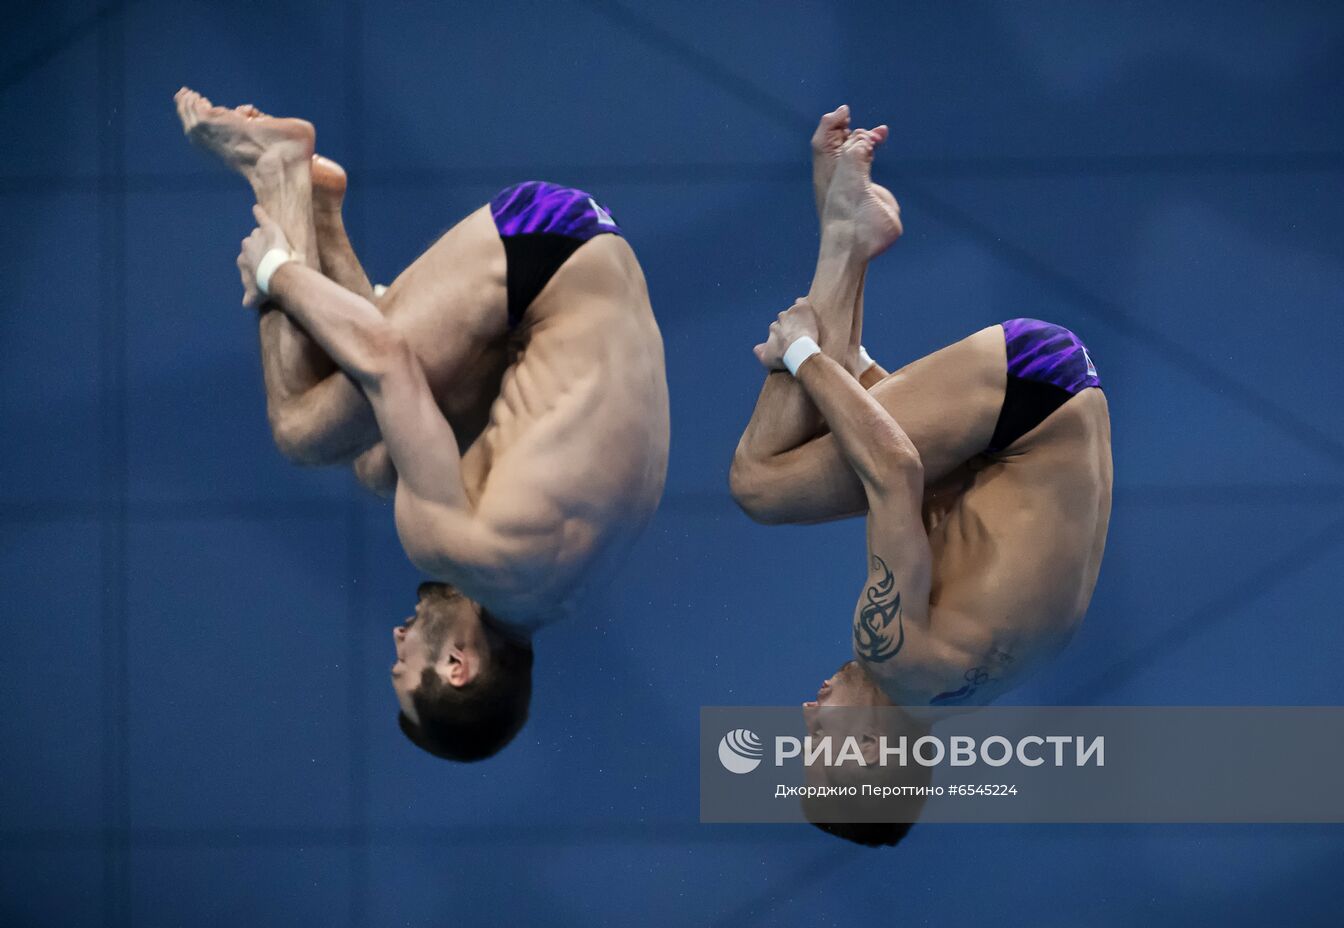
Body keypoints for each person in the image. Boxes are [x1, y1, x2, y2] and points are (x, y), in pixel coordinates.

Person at [174, 89, 669, 762]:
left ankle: (321, 210)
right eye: (404, 666)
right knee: (300, 429)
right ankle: (279, 171)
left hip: (582, 264)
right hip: (540, 251)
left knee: (381, 467)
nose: (397, 639)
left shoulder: (561, 596)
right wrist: (276, 272)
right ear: (458, 666)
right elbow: (388, 362)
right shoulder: (462, 550)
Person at [731, 106, 1112, 844]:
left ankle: (849, 234)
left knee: (834, 402)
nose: (806, 716)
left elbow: (936, 484)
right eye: (817, 748)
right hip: (1030, 395)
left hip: (1039, 411)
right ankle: (844, 239)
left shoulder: (967, 683)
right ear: (873, 751)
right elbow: (898, 470)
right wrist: (804, 354)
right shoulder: (894, 658)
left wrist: (833, 365)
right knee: (760, 484)